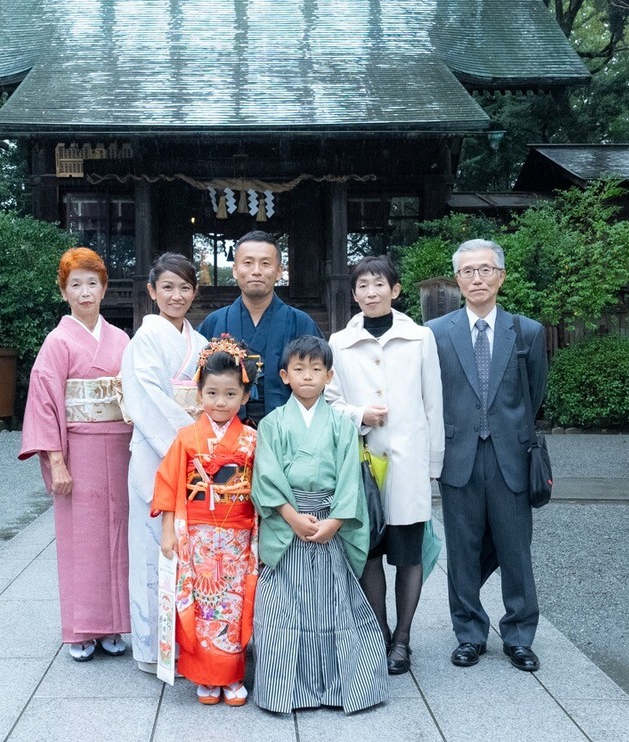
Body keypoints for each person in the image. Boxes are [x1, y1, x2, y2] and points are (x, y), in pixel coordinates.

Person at [425, 239, 548, 673]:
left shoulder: (527, 331)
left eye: (485, 270)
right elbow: (431, 393)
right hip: (458, 453)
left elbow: (534, 393)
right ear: (457, 280)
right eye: (467, 272)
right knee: (462, 549)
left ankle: (518, 634)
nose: (477, 279)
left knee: (516, 549)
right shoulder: (436, 333)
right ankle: (470, 633)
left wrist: (508, 429)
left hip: (509, 454)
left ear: (501, 276)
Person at [251, 335, 389, 714]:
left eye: (316, 370)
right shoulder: (273, 424)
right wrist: (292, 517)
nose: (307, 377)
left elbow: (350, 479)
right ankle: (286, 691)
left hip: (330, 523)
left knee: (334, 608)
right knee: (283, 609)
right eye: (299, 369)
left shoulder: (342, 425)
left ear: (329, 376)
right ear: (284, 375)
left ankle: (339, 688)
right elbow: (266, 476)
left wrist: (336, 521)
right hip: (290, 522)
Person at [325, 256, 444, 675]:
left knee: (408, 553)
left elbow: (434, 403)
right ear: (353, 293)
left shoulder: (420, 338)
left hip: (409, 461)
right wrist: (360, 415)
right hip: (364, 462)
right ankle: (378, 631)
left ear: (395, 290)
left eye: (378, 285)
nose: (370, 293)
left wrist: (434, 464)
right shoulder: (339, 343)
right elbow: (330, 401)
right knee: (370, 551)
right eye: (362, 286)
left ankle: (403, 639)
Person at [18, 247, 132, 661]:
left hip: (121, 446)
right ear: (63, 291)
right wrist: (57, 461)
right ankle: (81, 629)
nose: (85, 292)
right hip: (78, 449)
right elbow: (45, 403)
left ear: (104, 288)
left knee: (121, 537)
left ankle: (115, 626)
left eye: (92, 283)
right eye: (75, 285)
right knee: (80, 540)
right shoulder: (57, 342)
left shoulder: (121, 339)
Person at [152, 336, 260, 706]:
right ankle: (204, 676)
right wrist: (169, 532)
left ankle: (230, 676)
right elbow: (168, 483)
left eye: (230, 394)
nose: (220, 402)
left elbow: (264, 487)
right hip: (195, 535)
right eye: (212, 393)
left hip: (236, 536)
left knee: (232, 601)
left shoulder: (251, 440)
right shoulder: (186, 438)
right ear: (199, 394)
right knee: (200, 603)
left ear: (244, 397)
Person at [120, 252, 209, 673]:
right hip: (158, 455)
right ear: (152, 291)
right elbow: (147, 400)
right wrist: (191, 441)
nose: (177, 295)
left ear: (195, 292)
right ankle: (153, 647)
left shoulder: (204, 344)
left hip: (200, 456)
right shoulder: (145, 340)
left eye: (185, 287)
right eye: (168, 287)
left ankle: (196, 644)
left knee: (195, 552)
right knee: (155, 548)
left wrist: (206, 442)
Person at [198, 230, 322, 424]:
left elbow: (319, 380)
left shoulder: (301, 323)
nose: (256, 271)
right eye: (247, 263)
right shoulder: (214, 322)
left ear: (279, 271)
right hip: (224, 431)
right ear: (235, 270)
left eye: (265, 263)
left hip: (289, 430)